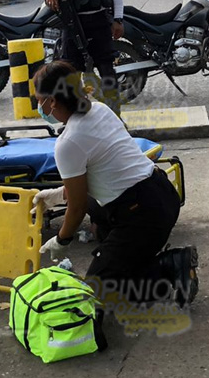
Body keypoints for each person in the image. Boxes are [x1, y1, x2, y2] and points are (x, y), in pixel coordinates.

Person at [32, 61, 198, 307]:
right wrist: (58, 196)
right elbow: (102, 174)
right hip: (161, 192)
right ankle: (124, 251)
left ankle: (172, 265)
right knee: (102, 222)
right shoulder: (99, 109)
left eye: (39, 99)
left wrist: (62, 238)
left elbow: (77, 209)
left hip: (143, 215)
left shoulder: (68, 143)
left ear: (52, 102)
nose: (39, 106)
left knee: (99, 290)